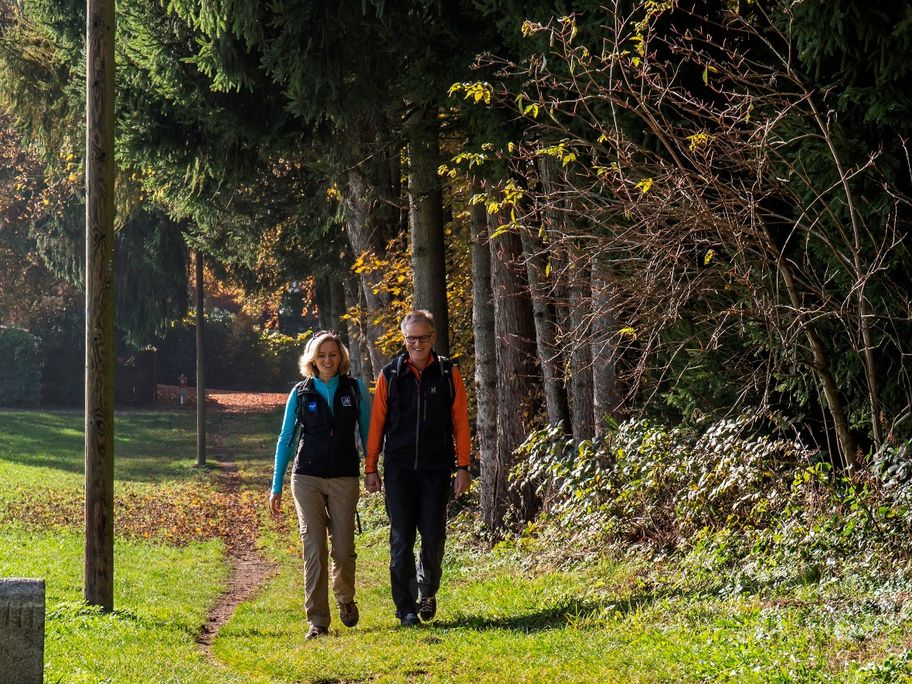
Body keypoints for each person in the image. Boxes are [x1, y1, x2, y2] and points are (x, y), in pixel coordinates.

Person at [365, 310, 472, 627]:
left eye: (423, 337)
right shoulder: (390, 374)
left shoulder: (448, 373)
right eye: (412, 338)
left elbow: (460, 423)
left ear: (433, 338)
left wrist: (463, 466)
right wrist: (371, 468)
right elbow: (377, 425)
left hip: (436, 469)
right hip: (398, 470)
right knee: (401, 540)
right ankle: (406, 607)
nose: (417, 343)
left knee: (434, 536)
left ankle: (427, 593)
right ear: (404, 339)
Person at [270, 331, 372, 640]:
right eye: (322, 355)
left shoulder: (354, 390)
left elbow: (367, 433)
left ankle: (345, 598)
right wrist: (276, 486)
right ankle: (317, 621)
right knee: (313, 548)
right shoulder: (300, 393)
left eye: (333, 354)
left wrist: (371, 470)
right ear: (312, 359)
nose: (328, 360)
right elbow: (286, 439)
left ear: (341, 358)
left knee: (342, 550)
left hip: (344, 477)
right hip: (307, 478)